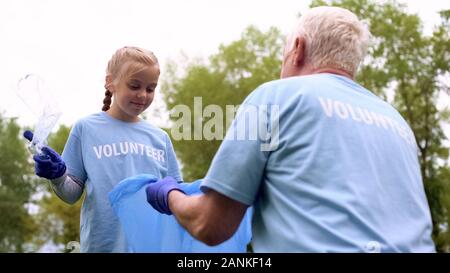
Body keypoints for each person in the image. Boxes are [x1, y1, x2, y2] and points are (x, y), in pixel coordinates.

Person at [145, 6, 435, 252]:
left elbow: (210, 224)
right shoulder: (396, 120)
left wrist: (170, 194)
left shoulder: (276, 97)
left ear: (297, 48)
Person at [24, 46, 182, 252]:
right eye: (134, 86)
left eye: (150, 88)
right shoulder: (86, 129)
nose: (143, 95)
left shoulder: (160, 138)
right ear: (110, 82)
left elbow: (177, 197)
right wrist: (59, 176)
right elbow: (71, 195)